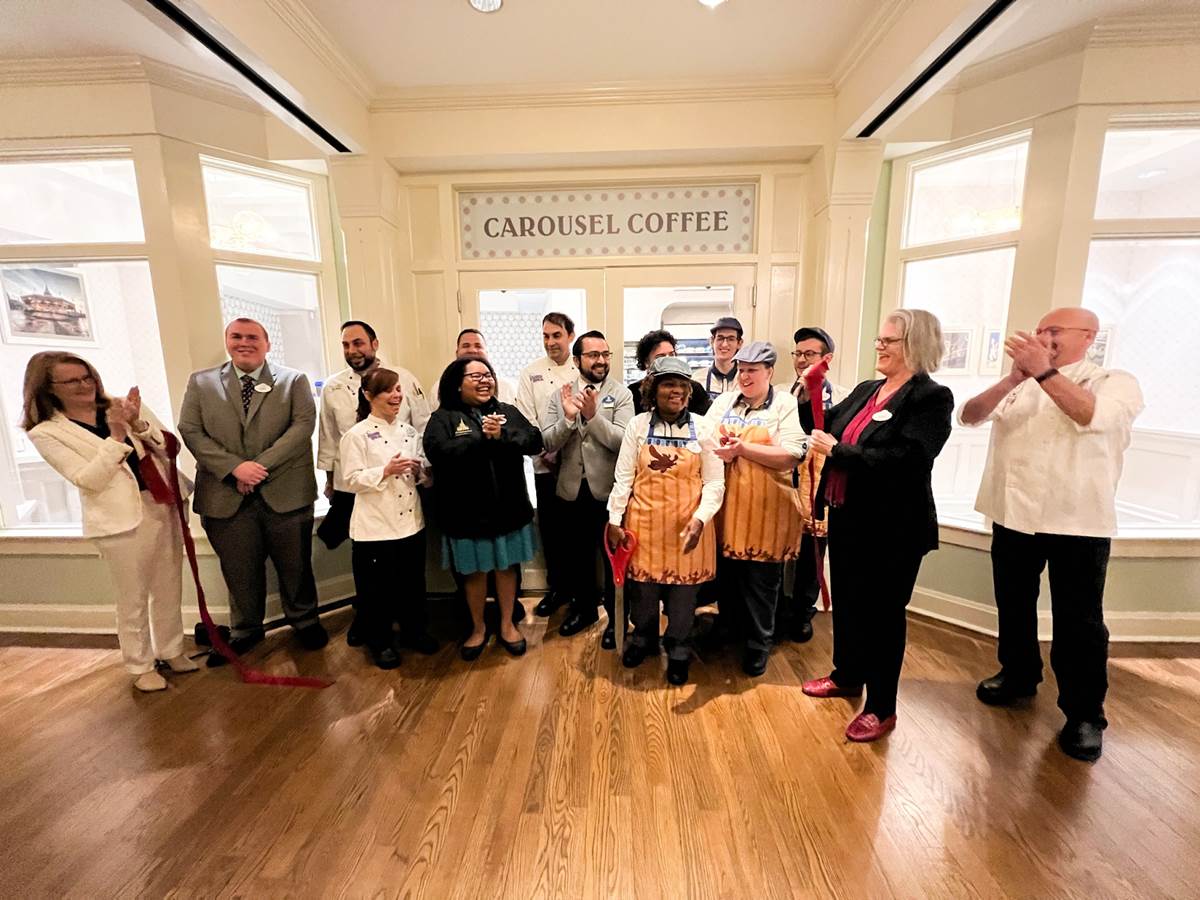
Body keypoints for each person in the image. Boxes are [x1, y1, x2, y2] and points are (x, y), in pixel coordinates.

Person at [960, 307, 1143, 762]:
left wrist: (1043, 372)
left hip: (1077, 521)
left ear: (1089, 337)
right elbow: (970, 415)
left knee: (1079, 621)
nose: (1044, 336)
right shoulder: (1020, 384)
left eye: (1055, 330)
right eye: (1040, 329)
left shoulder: (1113, 382)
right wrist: (1013, 378)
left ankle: (1084, 713)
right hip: (1012, 514)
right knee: (1013, 603)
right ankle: (1018, 675)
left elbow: (1090, 416)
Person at [802, 309, 953, 743]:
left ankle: (882, 707)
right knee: (849, 603)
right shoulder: (868, 390)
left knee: (884, 615)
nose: (880, 346)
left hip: (894, 527)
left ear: (916, 345)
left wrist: (839, 452)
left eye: (890, 341)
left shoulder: (931, 397)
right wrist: (808, 391)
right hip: (849, 516)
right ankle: (847, 675)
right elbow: (822, 427)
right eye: (880, 339)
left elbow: (910, 459)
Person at [22, 352, 198, 692]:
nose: (83, 385)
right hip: (119, 520)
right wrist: (116, 437)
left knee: (168, 586)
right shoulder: (46, 432)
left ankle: (172, 649)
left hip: (160, 503)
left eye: (87, 376)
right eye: (72, 381)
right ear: (48, 387)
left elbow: (169, 447)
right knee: (133, 597)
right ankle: (140, 665)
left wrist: (137, 424)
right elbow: (89, 479)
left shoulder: (120, 406)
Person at [178, 317, 328, 664]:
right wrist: (234, 468)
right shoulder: (201, 383)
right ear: (227, 341)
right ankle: (245, 630)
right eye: (237, 336)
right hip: (225, 493)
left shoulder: (293, 381)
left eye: (252, 337)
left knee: (296, 566)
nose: (244, 342)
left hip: (285, 490)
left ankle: (305, 621)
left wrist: (257, 468)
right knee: (239, 569)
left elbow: (302, 426)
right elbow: (190, 429)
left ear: (267, 343)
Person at [607, 357, 725, 685]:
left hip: (689, 527)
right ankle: (643, 638)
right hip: (643, 526)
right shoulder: (637, 426)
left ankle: (678, 649)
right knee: (643, 595)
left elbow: (715, 482)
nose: (677, 391)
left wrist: (701, 519)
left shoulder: (704, 428)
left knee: (683, 599)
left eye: (682, 385)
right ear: (653, 389)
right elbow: (624, 477)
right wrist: (615, 518)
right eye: (669, 384)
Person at [425, 357, 544, 660]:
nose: (484, 380)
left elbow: (534, 440)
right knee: (474, 573)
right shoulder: (443, 418)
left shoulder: (507, 412)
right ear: (457, 384)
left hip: (508, 511)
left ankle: (507, 625)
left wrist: (502, 435)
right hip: (466, 515)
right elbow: (437, 452)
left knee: (507, 569)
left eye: (488, 375)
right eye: (475, 376)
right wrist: (479, 439)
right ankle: (477, 628)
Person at [706, 341, 808, 677]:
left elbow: (793, 453)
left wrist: (743, 449)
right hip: (728, 508)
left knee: (761, 583)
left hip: (766, 510)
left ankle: (758, 644)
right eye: (741, 369)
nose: (745, 376)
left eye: (752, 370)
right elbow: (704, 438)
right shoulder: (724, 401)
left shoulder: (783, 404)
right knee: (729, 576)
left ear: (769, 372)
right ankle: (729, 630)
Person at [338, 368, 437, 669]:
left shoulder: (409, 432)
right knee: (376, 591)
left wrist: (420, 472)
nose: (396, 396)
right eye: (388, 391)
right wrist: (385, 471)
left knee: (412, 584)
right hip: (375, 526)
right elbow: (351, 480)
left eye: (398, 389)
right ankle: (379, 642)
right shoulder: (356, 435)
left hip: (411, 522)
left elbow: (423, 478)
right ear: (368, 396)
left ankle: (414, 631)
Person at [542, 330, 635, 647]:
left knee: (613, 562)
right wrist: (569, 419)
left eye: (605, 354)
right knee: (578, 557)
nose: (601, 361)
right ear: (577, 359)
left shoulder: (621, 395)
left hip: (608, 493)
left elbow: (623, 441)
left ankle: (617, 620)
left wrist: (593, 417)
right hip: (570, 490)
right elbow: (548, 442)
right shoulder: (559, 395)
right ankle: (584, 611)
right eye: (594, 355)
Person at [316, 320, 430, 555]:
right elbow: (328, 439)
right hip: (356, 481)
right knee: (366, 540)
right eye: (346, 345)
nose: (352, 350)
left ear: (374, 344)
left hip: (404, 481)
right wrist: (330, 481)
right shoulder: (333, 387)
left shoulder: (404, 378)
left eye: (358, 343)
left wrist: (424, 472)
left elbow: (422, 426)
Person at [516, 313, 578, 619]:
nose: (550, 342)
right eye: (545, 336)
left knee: (577, 533)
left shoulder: (580, 368)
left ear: (570, 336)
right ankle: (558, 590)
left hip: (577, 466)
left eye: (556, 335)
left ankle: (581, 591)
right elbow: (526, 419)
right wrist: (545, 452)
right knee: (552, 533)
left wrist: (563, 453)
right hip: (544, 466)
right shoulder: (531, 373)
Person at [779, 326, 839, 643]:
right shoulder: (779, 394)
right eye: (798, 353)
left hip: (819, 487)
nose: (802, 360)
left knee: (810, 557)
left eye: (810, 354)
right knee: (778, 554)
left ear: (827, 359)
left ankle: (803, 612)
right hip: (784, 481)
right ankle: (777, 612)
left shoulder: (844, 396)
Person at [627, 329, 712, 416]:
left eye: (671, 355)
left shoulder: (695, 389)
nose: (668, 360)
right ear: (646, 362)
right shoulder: (633, 392)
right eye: (661, 357)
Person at [454, 328, 517, 402]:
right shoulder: (443, 387)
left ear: (486, 353)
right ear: (457, 353)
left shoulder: (506, 388)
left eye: (478, 346)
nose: (472, 350)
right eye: (466, 346)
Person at [693, 316, 744, 400]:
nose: (724, 344)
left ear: (739, 343)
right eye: (720, 338)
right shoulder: (697, 379)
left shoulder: (746, 379)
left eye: (731, 339)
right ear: (712, 341)